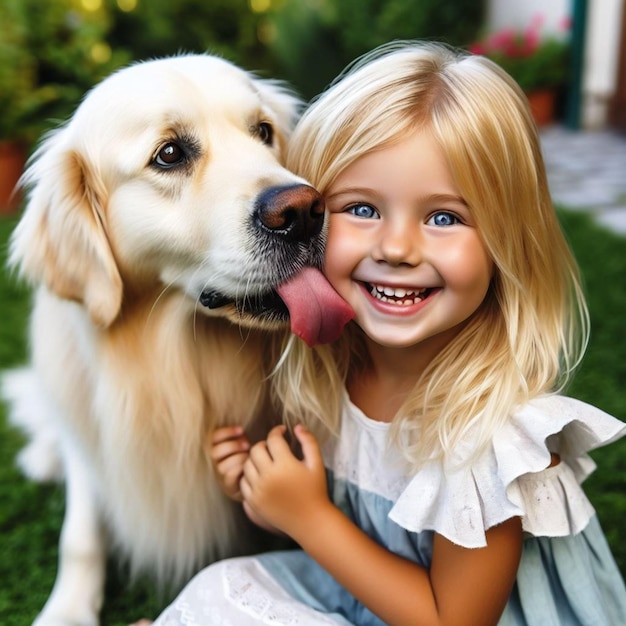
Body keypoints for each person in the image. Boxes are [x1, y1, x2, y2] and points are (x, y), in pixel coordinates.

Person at [145, 41, 626, 625]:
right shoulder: (336, 371)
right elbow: (364, 524)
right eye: (363, 209)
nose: (397, 249)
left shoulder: (490, 435)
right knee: (223, 586)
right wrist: (268, 491)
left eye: (444, 217)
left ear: (507, 244)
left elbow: (452, 620)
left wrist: (308, 519)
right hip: (369, 600)